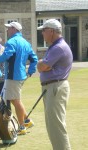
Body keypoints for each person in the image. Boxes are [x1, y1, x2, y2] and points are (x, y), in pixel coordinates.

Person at [0, 21, 38, 135]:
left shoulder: (11, 41)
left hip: (12, 76)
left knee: (16, 100)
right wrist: (30, 72)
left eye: (9, 28)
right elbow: (34, 59)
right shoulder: (25, 42)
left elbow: (6, 55)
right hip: (20, 76)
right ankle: (26, 121)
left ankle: (21, 127)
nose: (7, 30)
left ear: (14, 29)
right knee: (14, 100)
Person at [37, 19, 73, 150]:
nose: (42, 34)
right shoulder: (55, 47)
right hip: (52, 87)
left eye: (44, 31)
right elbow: (43, 66)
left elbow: (42, 66)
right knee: (53, 125)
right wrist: (43, 64)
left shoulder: (58, 48)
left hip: (55, 87)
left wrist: (42, 63)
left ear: (51, 31)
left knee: (56, 125)